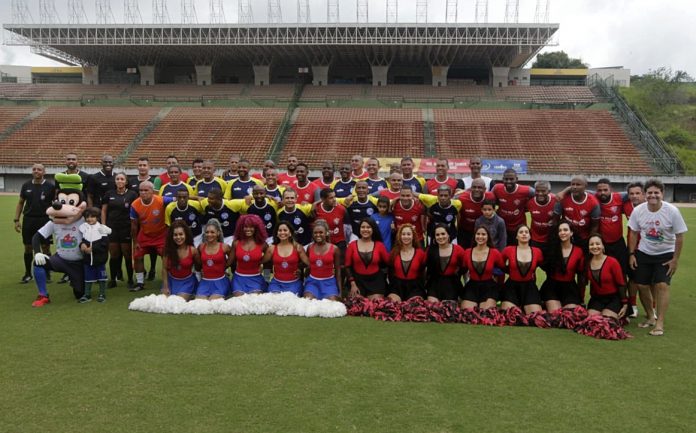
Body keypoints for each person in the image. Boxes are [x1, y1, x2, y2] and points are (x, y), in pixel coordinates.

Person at [628, 179, 687, 336]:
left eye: (656, 192)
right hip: (644, 253)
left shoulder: (672, 211)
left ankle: (659, 323)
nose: (653, 195)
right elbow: (633, 232)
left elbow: (680, 236)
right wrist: (632, 254)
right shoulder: (638, 210)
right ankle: (650, 316)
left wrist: (675, 259)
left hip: (665, 253)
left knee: (662, 285)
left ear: (662, 194)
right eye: (650, 192)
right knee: (641, 285)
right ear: (645, 194)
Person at [15, 163, 55, 283]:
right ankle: (28, 274)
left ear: (44, 172)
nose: (36, 171)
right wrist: (16, 220)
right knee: (28, 247)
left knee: (45, 247)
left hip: (44, 220)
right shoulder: (26, 185)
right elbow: (21, 202)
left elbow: (55, 204)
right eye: (34, 169)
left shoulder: (50, 186)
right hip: (29, 220)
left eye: (39, 169)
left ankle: (47, 273)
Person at [130, 181, 171, 291]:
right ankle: (139, 283)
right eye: (141, 190)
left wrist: (197, 198)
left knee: (166, 256)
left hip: (161, 235)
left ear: (153, 191)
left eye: (146, 190)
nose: (143, 193)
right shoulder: (135, 205)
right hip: (145, 235)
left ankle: (168, 280)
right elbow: (134, 225)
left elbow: (180, 199)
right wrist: (135, 242)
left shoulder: (162, 200)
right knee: (137, 256)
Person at [101, 172, 138, 288]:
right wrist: (103, 225)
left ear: (126, 181)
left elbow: (137, 211)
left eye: (122, 179)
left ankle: (130, 280)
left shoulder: (132, 194)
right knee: (114, 254)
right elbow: (104, 211)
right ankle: (113, 279)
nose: (120, 181)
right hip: (112, 228)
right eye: (117, 179)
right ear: (115, 181)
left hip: (126, 228)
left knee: (127, 254)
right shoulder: (109, 194)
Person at [540, 221, 585, 313]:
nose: (562, 232)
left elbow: (581, 275)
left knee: (569, 316)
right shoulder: (552, 249)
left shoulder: (578, 251)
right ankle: (545, 303)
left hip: (570, 288)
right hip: (552, 287)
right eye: (560, 230)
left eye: (565, 230)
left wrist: (581, 296)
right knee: (556, 315)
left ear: (571, 232)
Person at [500, 225, 544, 314]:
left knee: (535, 316)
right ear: (516, 236)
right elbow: (501, 265)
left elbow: (539, 265)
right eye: (521, 232)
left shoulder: (537, 251)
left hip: (529, 287)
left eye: (526, 232)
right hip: (511, 287)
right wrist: (511, 271)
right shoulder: (508, 250)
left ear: (530, 236)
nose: (524, 234)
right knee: (508, 315)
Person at [345, 218, 389, 300]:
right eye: (363, 227)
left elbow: (388, 263)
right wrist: (352, 284)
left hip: (376, 281)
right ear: (359, 229)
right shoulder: (352, 245)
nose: (365, 229)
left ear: (373, 229)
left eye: (368, 227)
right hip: (357, 281)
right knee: (356, 304)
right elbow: (347, 266)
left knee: (376, 305)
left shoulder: (380, 245)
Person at [461, 226, 504, 310]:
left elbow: (502, 271)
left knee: (487, 313)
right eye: (478, 234)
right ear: (474, 236)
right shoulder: (467, 252)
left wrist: (499, 288)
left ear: (488, 237)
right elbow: (462, 270)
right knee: (467, 313)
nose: (480, 237)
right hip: (472, 287)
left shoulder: (495, 252)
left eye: (483, 234)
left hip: (489, 288)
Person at [587, 233, 628, 319]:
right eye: (591, 244)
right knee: (591, 321)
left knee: (606, 322)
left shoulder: (612, 262)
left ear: (603, 246)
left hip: (614, 298)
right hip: (597, 299)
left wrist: (625, 304)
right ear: (588, 247)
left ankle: (622, 318)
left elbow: (621, 283)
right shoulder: (587, 263)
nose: (595, 247)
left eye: (598, 244)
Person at [554, 175, 600, 250]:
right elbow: (555, 220)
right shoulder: (563, 198)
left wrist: (590, 240)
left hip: (584, 238)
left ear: (585, 186)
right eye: (573, 184)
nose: (575, 187)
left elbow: (595, 226)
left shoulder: (593, 202)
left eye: (578, 185)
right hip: (567, 236)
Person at [264, 222, 309, 296]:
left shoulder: (298, 247)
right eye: (280, 230)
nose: (282, 232)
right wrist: (266, 280)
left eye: (285, 230)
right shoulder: (272, 248)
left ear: (290, 233)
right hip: (276, 284)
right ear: (277, 233)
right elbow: (265, 263)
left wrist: (300, 270)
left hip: (294, 284)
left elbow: (308, 263)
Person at [492, 168, 534, 245]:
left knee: (517, 251)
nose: (509, 181)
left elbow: (538, 196)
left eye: (511, 179)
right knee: (501, 249)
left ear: (516, 179)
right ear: (503, 179)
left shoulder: (526, 190)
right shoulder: (497, 188)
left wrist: (526, 208)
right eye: (506, 179)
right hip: (502, 227)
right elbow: (489, 200)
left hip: (518, 228)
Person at [424, 223, 466, 302]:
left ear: (448, 235)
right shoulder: (430, 250)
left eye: (443, 234)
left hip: (452, 283)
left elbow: (464, 267)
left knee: (447, 309)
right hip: (434, 283)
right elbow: (423, 267)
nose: (440, 237)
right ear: (434, 237)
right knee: (433, 308)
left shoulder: (458, 249)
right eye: (437, 235)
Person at [229, 214, 269, 296]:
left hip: (256, 278)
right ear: (241, 228)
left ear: (256, 228)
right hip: (239, 279)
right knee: (240, 302)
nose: (248, 229)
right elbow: (229, 262)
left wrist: (266, 278)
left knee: (254, 301)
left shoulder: (263, 244)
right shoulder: (236, 243)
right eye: (245, 227)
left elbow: (268, 263)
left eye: (251, 227)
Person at [78, 207, 111, 303]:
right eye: (87, 217)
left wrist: (92, 249)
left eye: (92, 217)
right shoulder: (84, 228)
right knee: (88, 277)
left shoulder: (102, 229)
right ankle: (87, 294)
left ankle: (102, 294)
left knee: (101, 277)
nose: (90, 219)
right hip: (87, 260)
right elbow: (82, 241)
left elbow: (105, 244)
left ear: (97, 217)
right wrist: (82, 245)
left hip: (100, 259)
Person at [304, 220, 342, 300]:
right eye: (315, 233)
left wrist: (340, 291)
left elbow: (338, 271)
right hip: (312, 282)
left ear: (326, 233)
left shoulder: (335, 249)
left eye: (321, 232)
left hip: (329, 283)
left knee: (331, 305)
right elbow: (307, 265)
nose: (318, 235)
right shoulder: (310, 247)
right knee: (308, 302)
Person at [387, 224, 426, 302]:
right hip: (397, 287)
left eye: (408, 234)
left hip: (415, 287)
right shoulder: (394, 252)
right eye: (403, 234)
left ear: (413, 236)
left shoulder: (420, 253)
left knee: (413, 308)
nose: (406, 236)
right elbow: (390, 271)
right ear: (399, 236)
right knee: (392, 305)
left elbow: (423, 273)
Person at [161, 221, 200, 300]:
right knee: (164, 300)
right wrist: (165, 286)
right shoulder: (167, 250)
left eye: (181, 234)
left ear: (186, 234)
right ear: (171, 236)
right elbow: (164, 269)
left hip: (188, 282)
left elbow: (199, 266)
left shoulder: (193, 250)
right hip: (171, 281)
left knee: (177, 301)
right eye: (175, 235)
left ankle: (192, 292)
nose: (178, 237)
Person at [624, 181, 646, 318]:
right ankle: (633, 306)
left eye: (638, 193)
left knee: (650, 281)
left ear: (644, 194)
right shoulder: (625, 206)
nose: (635, 196)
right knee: (632, 278)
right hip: (632, 248)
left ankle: (653, 308)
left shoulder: (651, 206)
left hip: (648, 249)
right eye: (631, 194)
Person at [196, 219, 232, 300]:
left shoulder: (225, 247)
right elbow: (198, 263)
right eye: (207, 232)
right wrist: (201, 271)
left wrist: (224, 268)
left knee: (213, 302)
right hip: (205, 281)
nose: (209, 234)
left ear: (218, 233)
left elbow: (232, 260)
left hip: (220, 282)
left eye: (212, 232)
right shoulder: (201, 247)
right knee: (199, 303)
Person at [456, 178, 494, 247]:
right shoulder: (462, 198)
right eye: (474, 187)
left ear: (485, 189)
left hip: (482, 233)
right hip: (465, 232)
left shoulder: (491, 197)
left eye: (480, 187)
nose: (477, 189)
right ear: (470, 188)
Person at [526, 180, 557, 257]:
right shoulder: (530, 202)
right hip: (535, 239)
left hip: (551, 239)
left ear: (549, 191)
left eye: (543, 191)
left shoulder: (556, 201)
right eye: (537, 191)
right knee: (533, 263)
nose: (540, 193)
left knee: (551, 266)